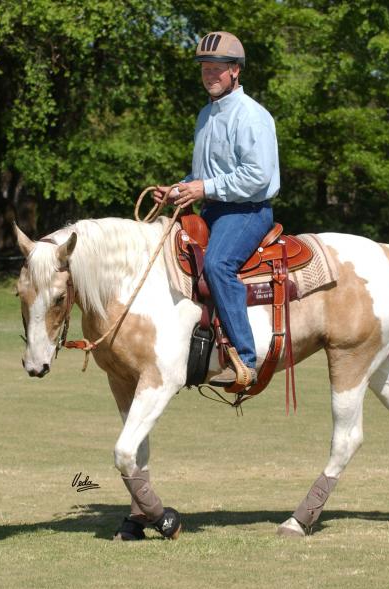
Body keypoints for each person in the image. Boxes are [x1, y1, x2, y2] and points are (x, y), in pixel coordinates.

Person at [154, 31, 280, 388]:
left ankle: (245, 360)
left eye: (217, 69)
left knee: (218, 265)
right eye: (205, 68)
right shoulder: (205, 115)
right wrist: (178, 189)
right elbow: (204, 174)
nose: (210, 75)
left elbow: (257, 176)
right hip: (213, 209)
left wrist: (203, 188)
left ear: (235, 71)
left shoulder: (252, 116)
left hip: (247, 211)